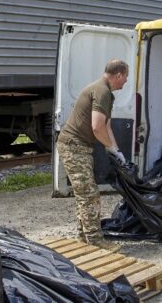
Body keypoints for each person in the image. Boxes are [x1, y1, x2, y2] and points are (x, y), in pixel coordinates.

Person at [56, 59, 129, 252]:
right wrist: (109, 147)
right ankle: (95, 240)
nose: (126, 82)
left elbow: (106, 126)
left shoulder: (104, 91)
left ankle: (83, 237)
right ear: (119, 75)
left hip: (79, 147)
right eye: (126, 77)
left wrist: (115, 149)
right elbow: (97, 128)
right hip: (74, 147)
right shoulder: (102, 91)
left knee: (85, 194)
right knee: (89, 195)